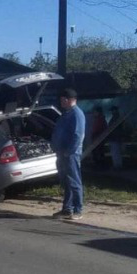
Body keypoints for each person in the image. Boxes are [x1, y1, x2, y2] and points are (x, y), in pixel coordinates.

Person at [51, 88, 86, 220]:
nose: (61, 102)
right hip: (62, 152)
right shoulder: (66, 113)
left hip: (71, 153)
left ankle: (78, 209)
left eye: (63, 100)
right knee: (66, 181)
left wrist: (69, 151)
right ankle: (67, 209)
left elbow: (78, 135)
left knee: (74, 181)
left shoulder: (76, 114)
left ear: (69, 99)